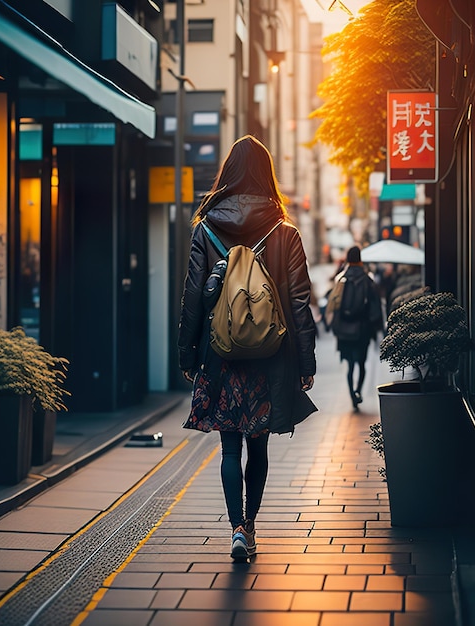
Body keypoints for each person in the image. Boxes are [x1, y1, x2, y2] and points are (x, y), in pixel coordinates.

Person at [178, 135, 317, 561]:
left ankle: (235, 528)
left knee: (229, 448)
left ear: (228, 174)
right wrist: (305, 362)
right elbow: (298, 300)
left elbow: (193, 295)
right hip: (270, 358)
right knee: (258, 447)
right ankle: (251, 527)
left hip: (220, 356)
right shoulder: (285, 231)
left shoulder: (206, 228)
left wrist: (187, 355)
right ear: (266, 174)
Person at [331, 246, 382, 411]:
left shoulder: (341, 279)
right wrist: (378, 328)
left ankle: (351, 395)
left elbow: (334, 304)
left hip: (344, 331)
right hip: (362, 329)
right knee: (361, 363)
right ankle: (358, 391)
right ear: (360, 259)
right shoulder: (368, 280)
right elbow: (375, 307)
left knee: (350, 365)